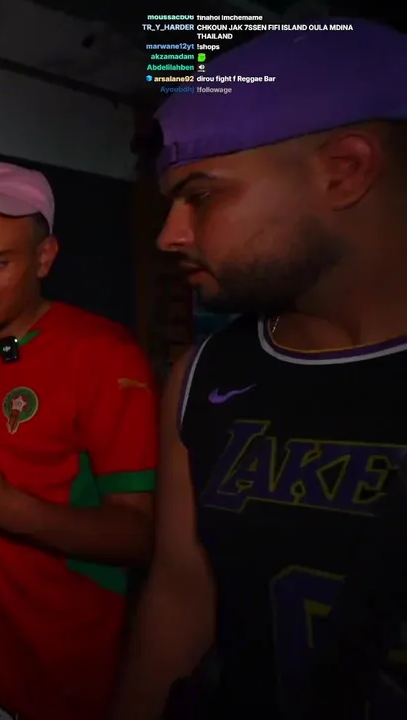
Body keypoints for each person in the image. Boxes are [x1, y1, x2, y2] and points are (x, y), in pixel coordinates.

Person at [112, 19, 407, 720]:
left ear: (344, 170)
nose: (170, 235)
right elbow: (181, 596)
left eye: (202, 195)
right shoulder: (203, 377)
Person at [0, 161, 158, 719]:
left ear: (44, 258)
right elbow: (16, 369)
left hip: (39, 670)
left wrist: (2, 508)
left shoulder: (105, 356)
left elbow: (139, 536)